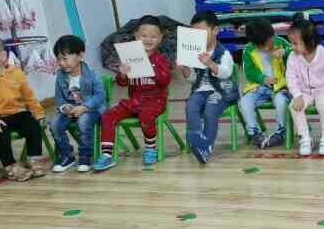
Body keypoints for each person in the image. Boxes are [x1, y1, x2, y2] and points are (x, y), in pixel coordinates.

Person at [94, 15, 171, 171]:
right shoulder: (130, 57)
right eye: (144, 36)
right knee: (107, 116)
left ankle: (151, 148)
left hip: (155, 102)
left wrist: (151, 68)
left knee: (146, 115)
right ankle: (107, 155)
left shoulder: (160, 59)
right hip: (135, 101)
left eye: (153, 36)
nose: (148, 39)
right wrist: (122, 74)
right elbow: (122, 83)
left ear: (160, 38)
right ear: (136, 36)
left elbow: (165, 80)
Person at [0, 32, 47, 181]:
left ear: (3, 56)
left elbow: (28, 96)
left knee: (32, 124)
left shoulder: (16, 73)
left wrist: (39, 113)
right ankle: (10, 166)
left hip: (17, 113)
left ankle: (34, 159)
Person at [180, 11, 239, 164]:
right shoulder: (194, 52)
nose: (197, 37)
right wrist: (185, 69)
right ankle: (198, 138)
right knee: (191, 105)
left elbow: (226, 73)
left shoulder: (223, 53)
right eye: (194, 33)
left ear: (215, 31)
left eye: (201, 32)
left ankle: (206, 147)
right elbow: (193, 79)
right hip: (200, 90)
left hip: (221, 91)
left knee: (210, 111)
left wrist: (211, 64)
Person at [285, 17, 324, 156]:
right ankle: (305, 138)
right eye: (291, 43)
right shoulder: (293, 57)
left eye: (295, 43)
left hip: (323, 90)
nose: (292, 47)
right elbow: (290, 78)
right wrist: (297, 96)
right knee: (294, 106)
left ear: (310, 42)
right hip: (303, 91)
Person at [49, 35, 106, 173]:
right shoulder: (61, 75)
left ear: (80, 56)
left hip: (92, 109)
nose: (61, 63)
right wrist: (64, 107)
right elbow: (59, 98)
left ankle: (85, 156)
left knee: (83, 121)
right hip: (71, 110)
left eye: (65, 58)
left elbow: (100, 96)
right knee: (54, 123)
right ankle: (67, 156)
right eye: (58, 59)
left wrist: (84, 107)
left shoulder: (92, 73)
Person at [238, 19, 291, 149]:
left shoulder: (280, 42)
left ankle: (280, 132)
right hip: (258, 87)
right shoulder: (248, 50)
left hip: (280, 86)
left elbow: (296, 53)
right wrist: (262, 78)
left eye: (270, 41)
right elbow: (249, 72)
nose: (268, 47)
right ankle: (254, 132)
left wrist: (285, 52)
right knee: (244, 102)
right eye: (264, 46)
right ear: (255, 44)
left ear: (272, 34)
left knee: (281, 101)